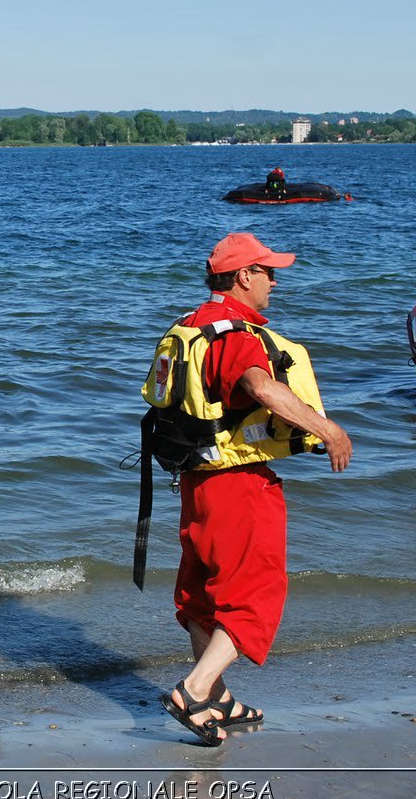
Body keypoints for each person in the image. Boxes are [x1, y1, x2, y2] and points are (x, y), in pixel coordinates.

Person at [145, 232, 352, 746]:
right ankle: (192, 691)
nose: (274, 281)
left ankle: (217, 699)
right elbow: (260, 387)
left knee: (201, 594)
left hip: (196, 479)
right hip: (238, 484)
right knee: (255, 594)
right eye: (268, 271)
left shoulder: (191, 325)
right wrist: (329, 430)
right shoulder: (235, 337)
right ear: (243, 276)